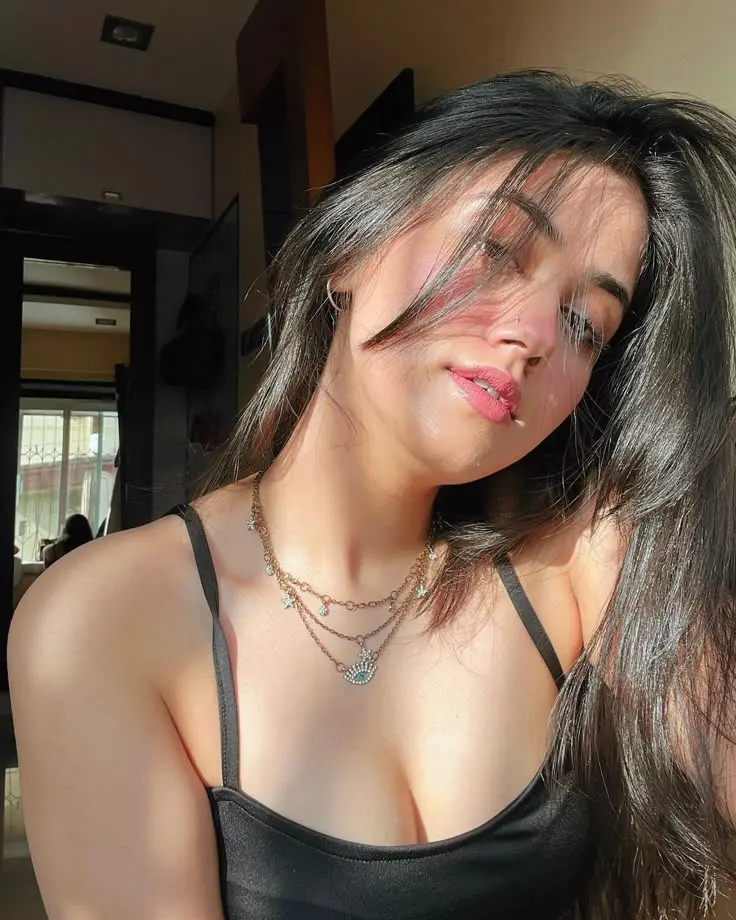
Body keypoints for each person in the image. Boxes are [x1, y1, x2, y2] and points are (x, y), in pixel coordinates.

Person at [7, 71, 736, 920]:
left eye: (586, 324)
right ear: (353, 248)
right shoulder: (107, 618)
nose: (536, 334)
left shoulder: (571, 564)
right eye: (496, 248)